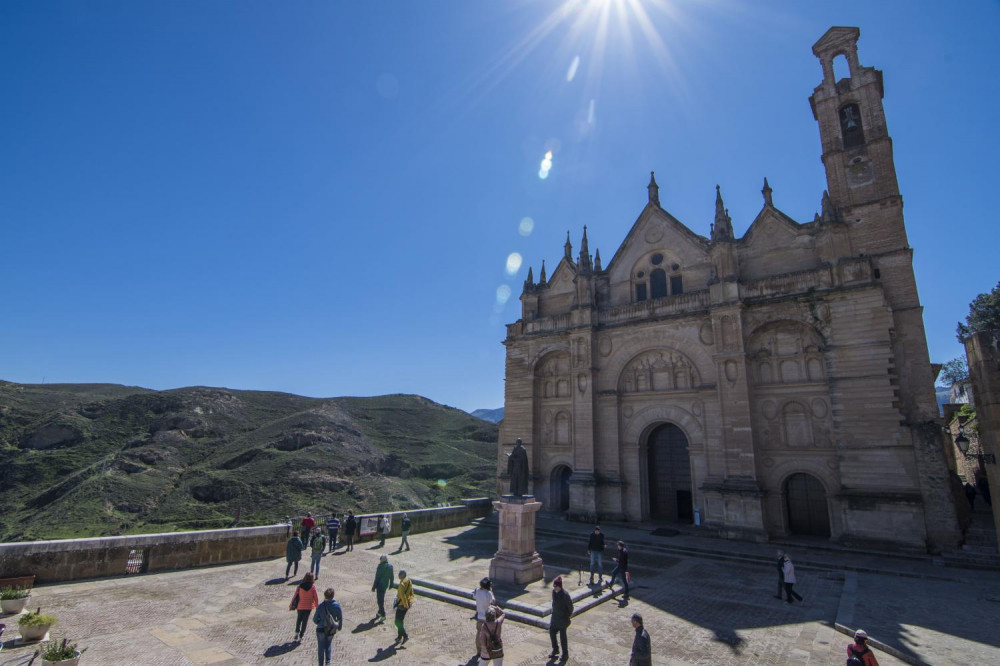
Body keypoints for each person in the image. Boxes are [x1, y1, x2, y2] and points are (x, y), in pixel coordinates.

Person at [313, 587, 343, 666]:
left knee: (321, 648)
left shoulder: (320, 606)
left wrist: (320, 622)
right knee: (328, 645)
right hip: (331, 629)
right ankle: (327, 663)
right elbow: (340, 618)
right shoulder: (337, 606)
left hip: (320, 629)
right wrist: (339, 627)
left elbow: (315, 619)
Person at [548, 576, 573, 662]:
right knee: (551, 632)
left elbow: (571, 608)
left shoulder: (565, 595)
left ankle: (565, 654)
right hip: (555, 618)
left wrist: (566, 616)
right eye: (554, 586)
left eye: (556, 586)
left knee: (563, 639)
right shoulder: (554, 592)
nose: (554, 588)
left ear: (560, 586)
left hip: (562, 619)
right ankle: (555, 649)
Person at [290, 572, 319, 642]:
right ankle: (301, 636)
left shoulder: (300, 586)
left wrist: (291, 604)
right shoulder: (313, 587)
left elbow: (295, 596)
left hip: (300, 606)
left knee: (299, 619)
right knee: (304, 622)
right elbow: (316, 597)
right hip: (308, 607)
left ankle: (296, 632)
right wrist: (317, 606)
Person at [472, 577, 497, 657]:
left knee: (479, 634)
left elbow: (474, 597)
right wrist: (491, 592)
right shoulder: (488, 593)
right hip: (487, 618)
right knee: (488, 635)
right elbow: (493, 601)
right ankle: (487, 650)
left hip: (479, 616)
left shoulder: (477, 590)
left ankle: (478, 651)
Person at [394, 569, 414, 644]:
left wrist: (405, 606)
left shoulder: (402, 584)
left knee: (397, 622)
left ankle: (405, 636)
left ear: (402, 575)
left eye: (399, 574)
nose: (398, 575)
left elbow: (403, 596)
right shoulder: (409, 581)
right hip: (407, 603)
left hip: (402, 605)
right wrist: (411, 601)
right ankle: (399, 637)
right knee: (400, 621)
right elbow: (411, 592)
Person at [372, 553, 394, 621]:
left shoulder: (380, 567)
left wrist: (374, 587)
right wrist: (391, 585)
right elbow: (392, 577)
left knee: (380, 601)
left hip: (380, 586)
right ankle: (379, 612)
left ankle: (383, 615)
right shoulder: (390, 566)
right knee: (381, 599)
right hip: (385, 585)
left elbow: (377, 578)